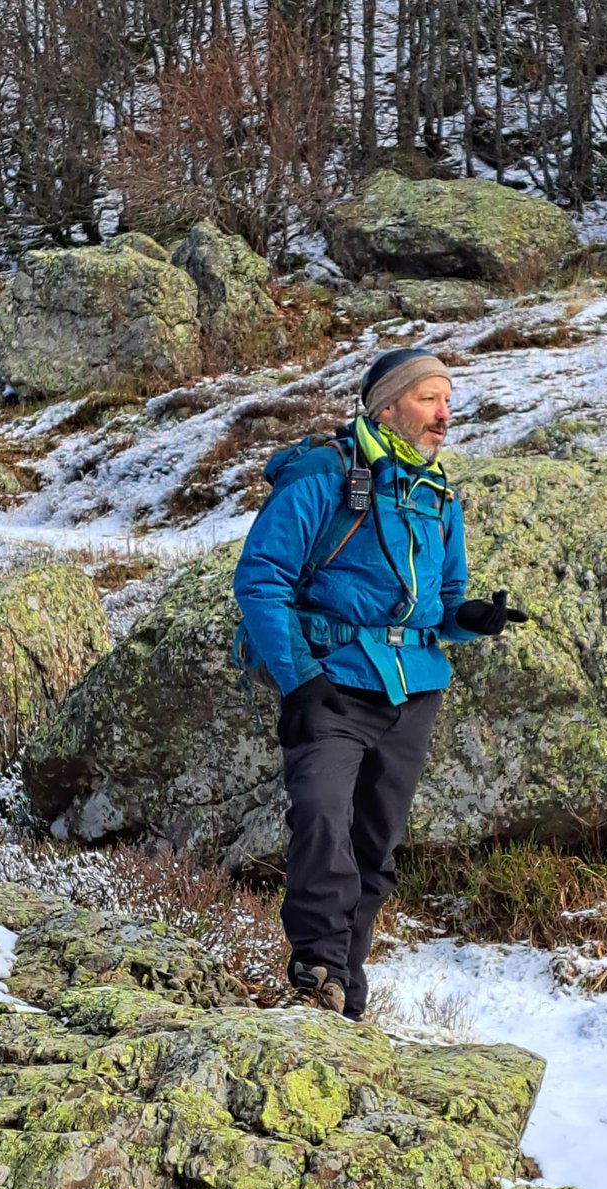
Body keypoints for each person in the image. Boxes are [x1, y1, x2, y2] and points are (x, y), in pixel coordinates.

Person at [233, 346, 527, 1020]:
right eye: (430, 399)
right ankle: (314, 969)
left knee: (373, 846)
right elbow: (261, 579)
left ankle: (345, 987)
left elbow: (443, 599)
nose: (445, 414)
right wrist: (298, 681)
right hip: (330, 685)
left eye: (447, 401)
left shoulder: (437, 492)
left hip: (412, 693)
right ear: (386, 405)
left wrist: (470, 619)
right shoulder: (322, 475)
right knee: (321, 822)